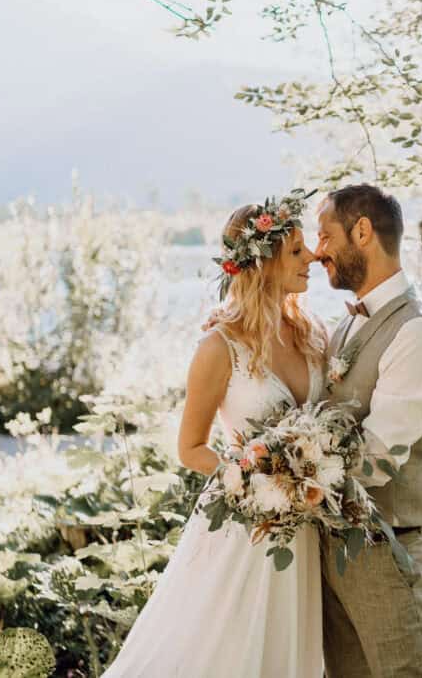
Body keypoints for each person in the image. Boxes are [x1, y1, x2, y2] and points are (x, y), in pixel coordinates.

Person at [101, 194, 327, 677]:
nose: (312, 258)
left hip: (306, 526)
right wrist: (257, 476)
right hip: (245, 523)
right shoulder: (218, 345)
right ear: (262, 265)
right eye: (296, 252)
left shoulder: (312, 333)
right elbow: (190, 449)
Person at [314, 183, 422, 678]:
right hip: (334, 547)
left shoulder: (418, 331)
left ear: (362, 231)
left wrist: (288, 474)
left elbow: (375, 459)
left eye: (325, 235)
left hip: (389, 547)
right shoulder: (346, 324)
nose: (317, 251)